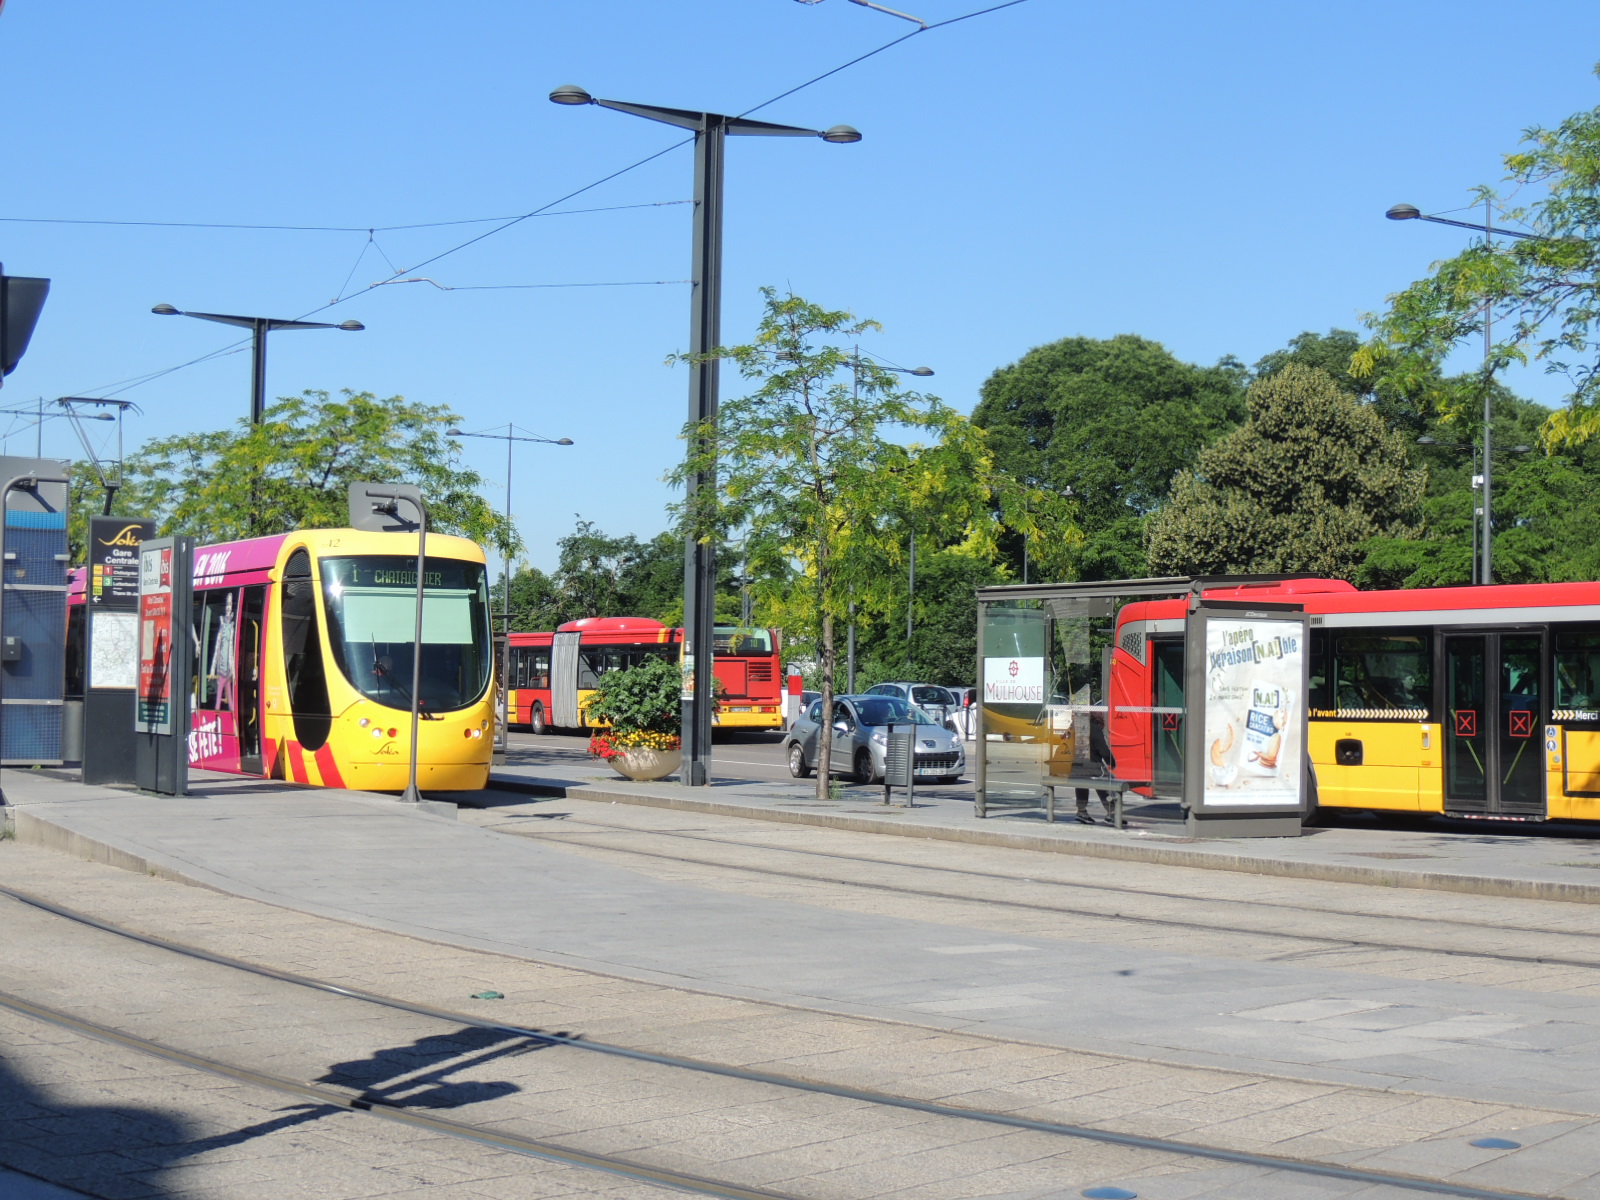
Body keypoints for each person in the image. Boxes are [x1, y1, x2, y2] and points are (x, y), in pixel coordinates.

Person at [1075, 711, 1117, 824]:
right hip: (1093, 766)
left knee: (1081, 782)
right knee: (1105, 781)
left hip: (1076, 766)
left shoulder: (1076, 729)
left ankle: (1081, 810)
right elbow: (1103, 750)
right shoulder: (1094, 729)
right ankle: (1112, 812)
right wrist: (1112, 762)